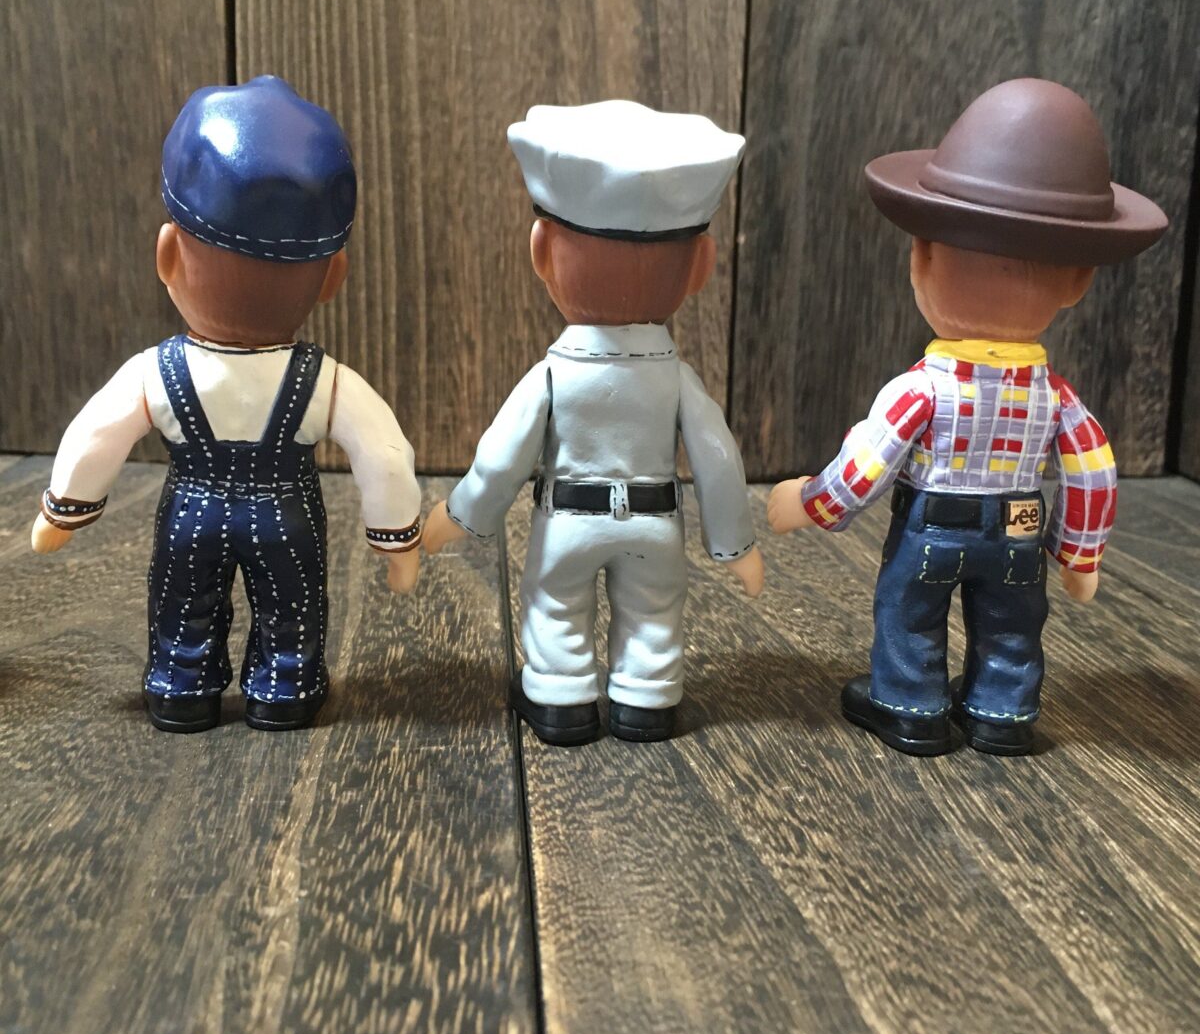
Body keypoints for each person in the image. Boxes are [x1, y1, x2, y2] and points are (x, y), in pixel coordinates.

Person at [769, 78, 1167, 756]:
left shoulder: (921, 389)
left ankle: (912, 706)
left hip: (934, 526)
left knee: (910, 613)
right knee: (1012, 623)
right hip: (1017, 531)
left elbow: (868, 463)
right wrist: (1079, 555)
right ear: (1078, 283)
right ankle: (1000, 712)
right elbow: (1093, 469)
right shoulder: (1057, 399)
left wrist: (812, 503)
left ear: (921, 258)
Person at [32, 76, 423, 733]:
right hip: (285, 517)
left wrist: (64, 509)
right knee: (291, 612)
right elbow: (383, 453)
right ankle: (286, 690)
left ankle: (180, 689)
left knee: (183, 606)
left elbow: (98, 433)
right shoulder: (325, 383)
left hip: (193, 511)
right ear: (333, 277)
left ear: (167, 257)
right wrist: (395, 538)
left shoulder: (154, 374)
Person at [424, 101, 763, 745]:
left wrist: (459, 515)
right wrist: (736, 546)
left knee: (555, 606)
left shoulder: (553, 376)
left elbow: (503, 455)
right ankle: (647, 700)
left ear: (542, 253)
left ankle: (561, 699)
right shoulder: (678, 380)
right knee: (654, 613)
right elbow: (718, 459)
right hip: (655, 525)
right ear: (701, 266)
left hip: (569, 522)